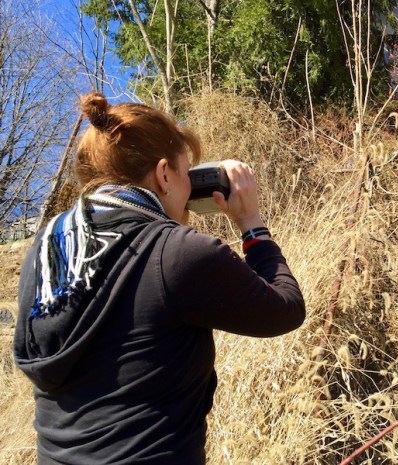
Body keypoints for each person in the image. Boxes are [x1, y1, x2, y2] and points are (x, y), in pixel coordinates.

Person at [13, 92, 305, 465]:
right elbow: (285, 309)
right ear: (164, 174)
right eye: (187, 174)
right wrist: (251, 224)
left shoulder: (47, 251)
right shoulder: (177, 253)